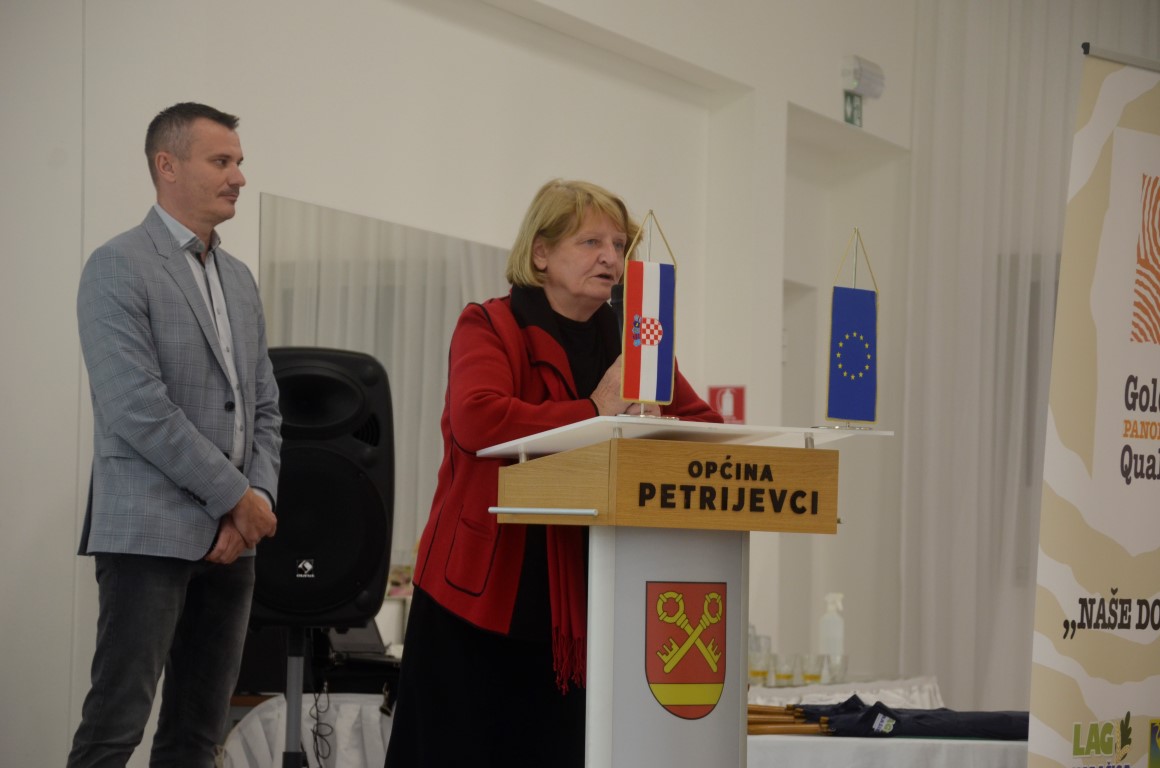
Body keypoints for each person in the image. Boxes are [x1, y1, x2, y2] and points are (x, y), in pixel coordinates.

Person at [385, 179, 722, 767]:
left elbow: (705, 425)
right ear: (541, 253)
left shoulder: (635, 341)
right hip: (484, 596)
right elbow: (479, 421)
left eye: (619, 245)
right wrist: (595, 411)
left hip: (595, 596)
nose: (610, 257)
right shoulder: (490, 324)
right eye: (591, 241)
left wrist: (654, 426)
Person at [69, 102, 282, 767]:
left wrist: (257, 500)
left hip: (236, 540)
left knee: (197, 735)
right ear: (167, 165)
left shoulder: (240, 279)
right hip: (149, 533)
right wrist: (236, 498)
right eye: (222, 161)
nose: (239, 176)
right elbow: (137, 408)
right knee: (114, 730)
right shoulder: (117, 265)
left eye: (239, 162)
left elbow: (265, 406)